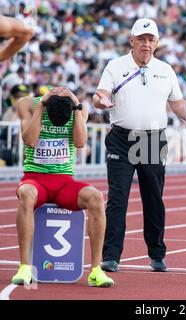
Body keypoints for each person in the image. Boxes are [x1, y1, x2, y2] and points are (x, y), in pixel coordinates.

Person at [93, 18, 186, 273]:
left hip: (152, 140)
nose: (146, 44)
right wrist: (99, 100)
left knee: (153, 199)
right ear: (131, 40)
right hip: (121, 139)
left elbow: (178, 105)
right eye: (141, 39)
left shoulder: (166, 70)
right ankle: (110, 256)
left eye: (150, 39)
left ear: (156, 43)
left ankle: (157, 254)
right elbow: (101, 93)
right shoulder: (115, 66)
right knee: (117, 198)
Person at [12, 87, 114, 287]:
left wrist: (76, 108)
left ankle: (95, 270)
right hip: (35, 179)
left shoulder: (79, 109)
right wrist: (41, 109)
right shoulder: (27, 104)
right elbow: (30, 140)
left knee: (96, 197)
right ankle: (24, 267)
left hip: (64, 182)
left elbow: (80, 142)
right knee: (25, 193)